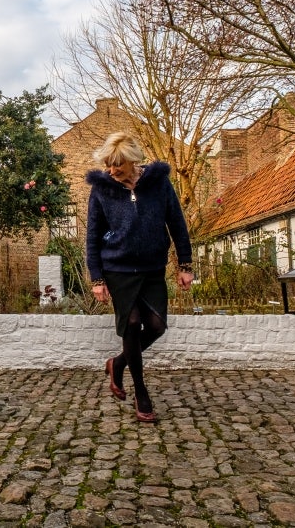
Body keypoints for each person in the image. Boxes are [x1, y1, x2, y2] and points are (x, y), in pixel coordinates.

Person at [85, 131, 194, 422]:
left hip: (152, 268)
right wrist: (97, 278)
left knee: (157, 326)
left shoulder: (159, 183)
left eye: (117, 165)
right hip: (117, 269)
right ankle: (141, 393)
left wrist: (185, 264)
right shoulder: (102, 189)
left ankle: (117, 364)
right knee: (132, 324)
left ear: (133, 161)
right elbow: (93, 236)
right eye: (108, 165)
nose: (111, 171)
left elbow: (177, 224)